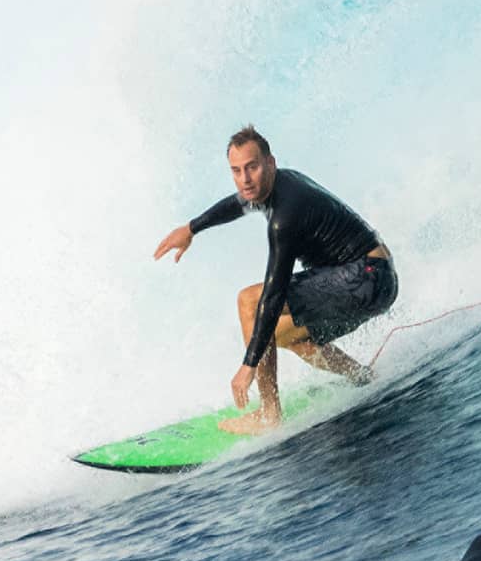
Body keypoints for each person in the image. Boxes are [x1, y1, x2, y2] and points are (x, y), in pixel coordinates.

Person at [153, 126, 397, 434]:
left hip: (366, 276)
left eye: (252, 167)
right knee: (281, 336)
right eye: (236, 171)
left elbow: (274, 293)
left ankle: (270, 413)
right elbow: (235, 204)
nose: (245, 179)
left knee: (250, 301)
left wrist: (248, 366)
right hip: (372, 280)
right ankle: (361, 375)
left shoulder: (286, 215)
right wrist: (191, 228)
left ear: (270, 163)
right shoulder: (273, 185)